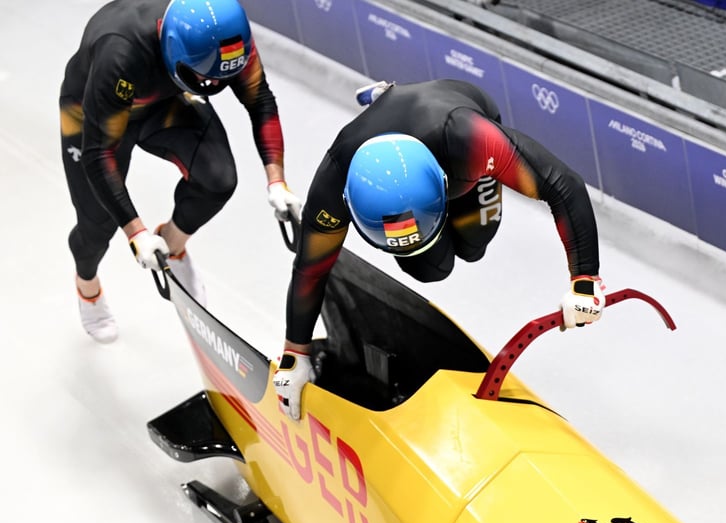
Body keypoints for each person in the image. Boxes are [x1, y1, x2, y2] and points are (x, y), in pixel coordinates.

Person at [272, 79, 604, 421]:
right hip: (424, 170)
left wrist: (584, 279)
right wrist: (295, 353)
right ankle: (388, 99)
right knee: (429, 268)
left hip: (463, 138)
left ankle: (390, 97)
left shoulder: (471, 140)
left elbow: (563, 184)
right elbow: (311, 267)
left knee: (475, 244)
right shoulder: (334, 181)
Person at [61, 0, 302, 343]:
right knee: (97, 224)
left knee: (218, 179)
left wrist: (277, 181)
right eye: (204, 76)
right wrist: (137, 234)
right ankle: (88, 287)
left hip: (166, 101)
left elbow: (260, 100)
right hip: (95, 113)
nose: (213, 83)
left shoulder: (229, 41)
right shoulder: (121, 52)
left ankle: (173, 246)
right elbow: (99, 155)